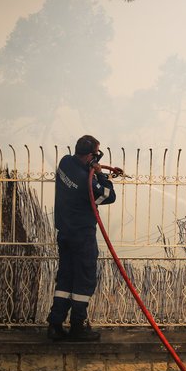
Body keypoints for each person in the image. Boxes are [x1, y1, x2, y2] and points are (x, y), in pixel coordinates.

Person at [47, 135, 118, 342]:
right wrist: (101, 175)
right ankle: (78, 327)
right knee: (84, 280)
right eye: (96, 154)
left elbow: (79, 172)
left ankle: (55, 325)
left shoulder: (65, 162)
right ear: (90, 155)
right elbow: (107, 196)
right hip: (82, 235)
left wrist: (93, 168)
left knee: (66, 279)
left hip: (65, 234)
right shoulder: (84, 180)